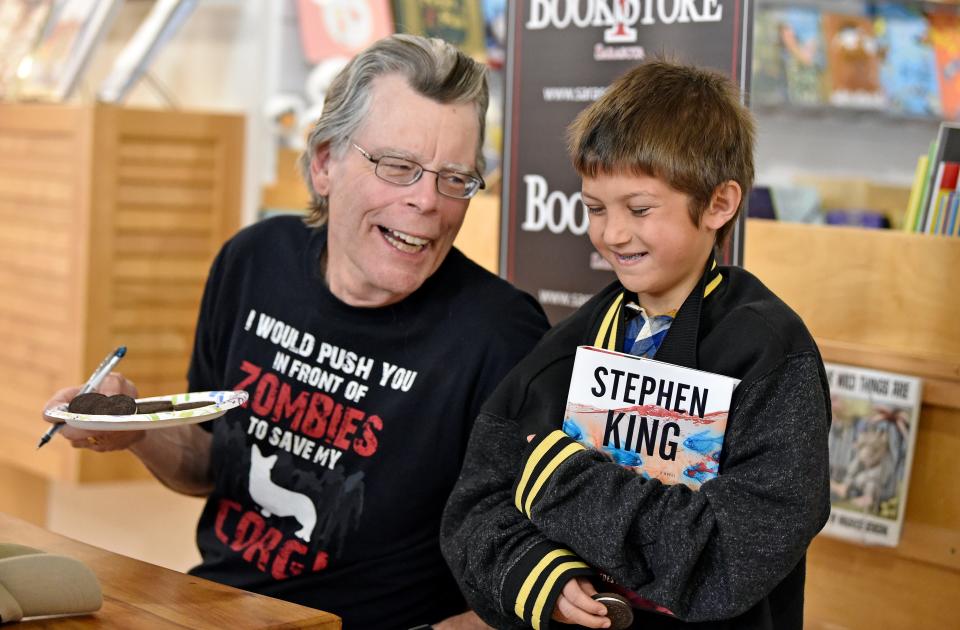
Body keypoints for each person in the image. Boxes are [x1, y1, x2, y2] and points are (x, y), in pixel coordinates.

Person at [43, 34, 549, 629]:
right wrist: (135, 429)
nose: (427, 202)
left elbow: (529, 574)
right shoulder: (254, 260)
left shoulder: (501, 335)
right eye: (398, 167)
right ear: (325, 162)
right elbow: (214, 466)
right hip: (216, 607)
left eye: (455, 178)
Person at [440, 59, 831, 630]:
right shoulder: (570, 343)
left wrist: (558, 480)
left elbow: (727, 559)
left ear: (719, 204)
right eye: (595, 209)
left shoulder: (771, 354)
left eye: (640, 209)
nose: (612, 234)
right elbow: (473, 509)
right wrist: (540, 574)